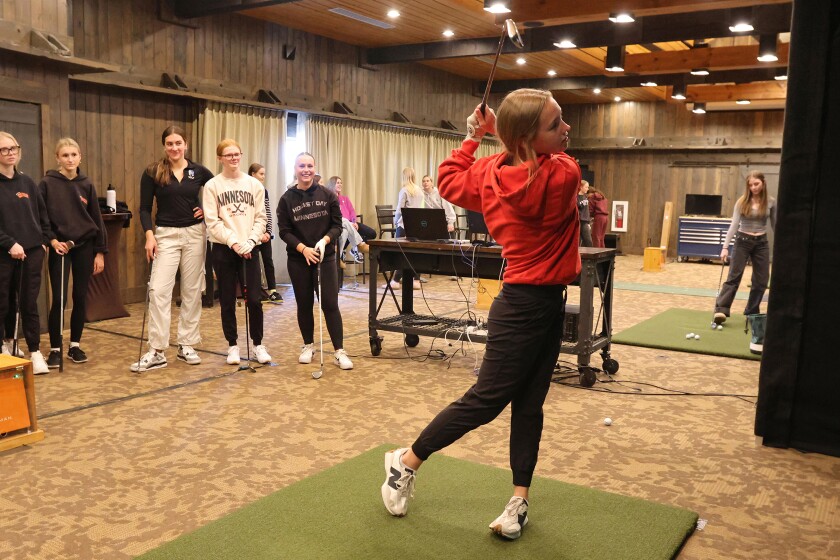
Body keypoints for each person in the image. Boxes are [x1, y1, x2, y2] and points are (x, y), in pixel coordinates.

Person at [379, 89, 580, 540]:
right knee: (487, 401)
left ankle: (518, 500)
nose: (567, 129)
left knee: (530, 405)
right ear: (529, 140)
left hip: (544, 302)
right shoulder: (564, 173)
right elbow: (548, 164)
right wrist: (498, 137)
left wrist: (474, 136)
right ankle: (406, 460)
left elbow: (449, 180)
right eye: (556, 124)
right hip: (524, 305)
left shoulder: (490, 173)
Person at [131, 125, 214, 372]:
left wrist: (208, 212)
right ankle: (156, 350)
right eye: (170, 144)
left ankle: (187, 343)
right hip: (165, 235)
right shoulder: (152, 172)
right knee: (158, 291)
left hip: (194, 234)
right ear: (164, 146)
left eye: (179, 143)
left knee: (192, 290)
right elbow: (145, 208)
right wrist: (149, 235)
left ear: (185, 144)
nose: (174, 148)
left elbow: (218, 192)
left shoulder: (198, 171)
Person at [276, 152, 353, 370]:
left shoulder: (328, 195)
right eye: (302, 166)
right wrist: (303, 249)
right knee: (304, 304)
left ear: (315, 167)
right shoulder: (287, 199)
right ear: (295, 168)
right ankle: (308, 345)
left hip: (325, 258)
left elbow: (338, 225)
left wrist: (324, 241)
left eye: (310, 165)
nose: (306, 170)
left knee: (330, 304)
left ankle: (339, 351)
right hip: (299, 259)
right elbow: (284, 231)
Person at [39, 138, 108, 368]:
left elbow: (96, 219)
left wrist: (100, 252)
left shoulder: (86, 184)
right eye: (65, 155)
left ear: (80, 157)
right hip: (60, 246)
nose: (70, 159)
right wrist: (51, 240)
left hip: (84, 247)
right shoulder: (47, 183)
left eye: (73, 155)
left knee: (80, 297)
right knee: (59, 298)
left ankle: (75, 345)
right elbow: (42, 217)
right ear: (57, 158)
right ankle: (56, 348)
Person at [204, 141, 271, 365]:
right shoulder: (212, 185)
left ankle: (258, 344)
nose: (234, 158)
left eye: (237, 154)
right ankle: (232, 345)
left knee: (254, 298)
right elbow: (212, 222)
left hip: (249, 248)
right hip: (224, 249)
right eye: (228, 155)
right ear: (220, 158)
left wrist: (250, 241)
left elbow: (261, 218)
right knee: (226, 299)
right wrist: (233, 242)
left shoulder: (255, 185)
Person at [0, 131, 54, 374]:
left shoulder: (28, 183)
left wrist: (42, 241)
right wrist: (9, 244)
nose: (10, 153)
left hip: (32, 252)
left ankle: (34, 351)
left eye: (13, 148)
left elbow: (43, 216)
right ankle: (6, 345)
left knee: (29, 303)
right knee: (3, 302)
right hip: (4, 253)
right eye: (3, 149)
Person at [714, 170, 776, 324]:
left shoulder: (771, 202)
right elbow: (734, 225)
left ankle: (752, 311)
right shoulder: (742, 202)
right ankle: (721, 310)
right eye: (751, 185)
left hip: (761, 243)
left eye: (757, 184)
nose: (754, 187)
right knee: (734, 277)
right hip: (742, 241)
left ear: (763, 183)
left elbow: (775, 226)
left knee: (761, 280)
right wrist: (725, 247)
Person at [248, 163, 282, 303]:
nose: (263, 177)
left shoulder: (264, 190)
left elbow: (267, 212)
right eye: (261, 174)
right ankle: (255, 291)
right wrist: (254, 234)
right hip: (251, 235)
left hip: (264, 234)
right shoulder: (246, 189)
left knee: (268, 261)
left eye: (264, 174)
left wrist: (268, 231)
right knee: (253, 264)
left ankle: (272, 290)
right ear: (252, 174)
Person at [389, 167, 424, 290]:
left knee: (400, 253)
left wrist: (395, 222)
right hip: (417, 226)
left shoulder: (404, 190)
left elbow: (399, 209)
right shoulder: (420, 190)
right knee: (415, 254)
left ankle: (395, 281)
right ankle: (416, 280)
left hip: (404, 225)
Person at [323, 176, 370, 269]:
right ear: (332, 184)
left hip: (350, 224)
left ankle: (339, 256)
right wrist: (349, 223)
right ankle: (359, 245)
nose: (340, 184)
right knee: (344, 226)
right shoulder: (329, 199)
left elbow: (352, 211)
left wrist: (354, 221)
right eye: (338, 183)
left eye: (341, 183)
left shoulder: (345, 198)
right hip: (339, 224)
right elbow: (336, 217)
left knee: (370, 233)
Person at [577, 179, 593, 247]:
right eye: (586, 187)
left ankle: (590, 257)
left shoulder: (585, 197)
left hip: (585, 222)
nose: (588, 189)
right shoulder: (576, 197)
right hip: (578, 222)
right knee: (577, 241)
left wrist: (588, 222)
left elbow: (586, 211)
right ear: (581, 187)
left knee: (588, 241)